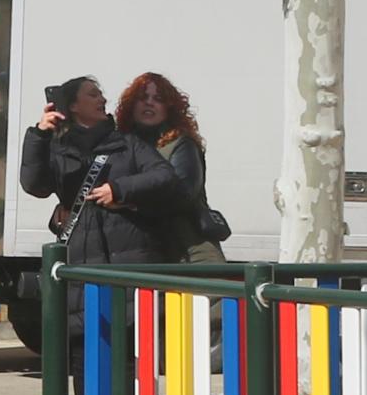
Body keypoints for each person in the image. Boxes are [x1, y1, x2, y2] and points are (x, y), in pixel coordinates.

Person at [87, 71, 219, 267]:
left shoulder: (181, 144)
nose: (149, 103)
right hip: (139, 253)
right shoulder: (119, 145)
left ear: (169, 108)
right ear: (131, 106)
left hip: (187, 252)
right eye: (142, 98)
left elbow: (183, 195)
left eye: (158, 99)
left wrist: (127, 201)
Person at [18, 76, 116, 259]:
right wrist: (40, 134)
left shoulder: (123, 142)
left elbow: (160, 179)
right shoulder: (59, 148)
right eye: (93, 95)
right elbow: (35, 186)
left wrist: (119, 191)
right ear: (73, 106)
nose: (102, 100)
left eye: (101, 95)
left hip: (119, 252)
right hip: (79, 252)